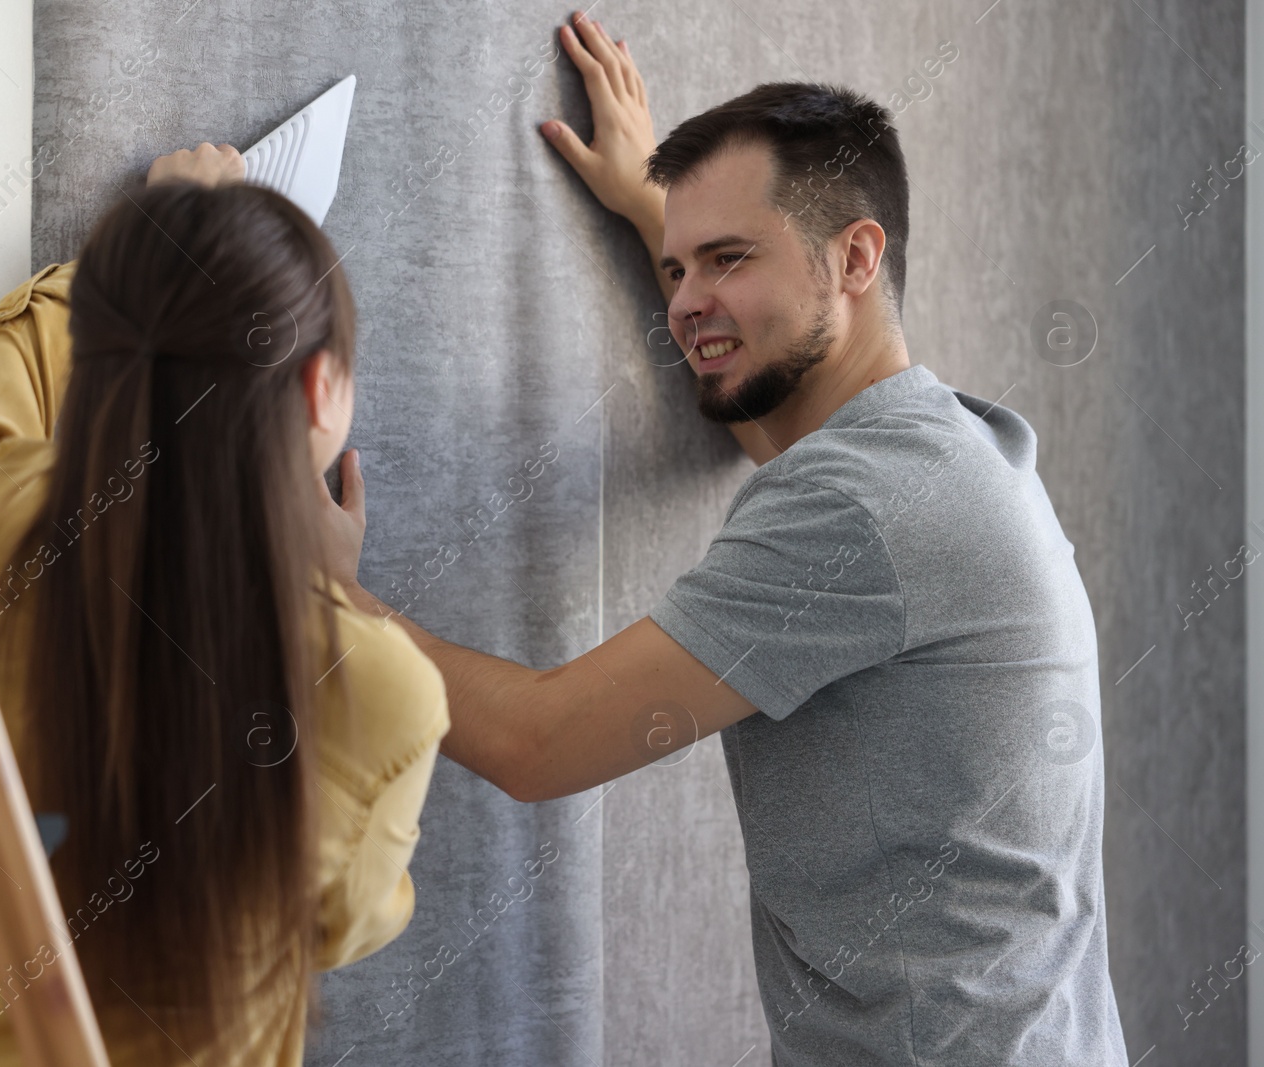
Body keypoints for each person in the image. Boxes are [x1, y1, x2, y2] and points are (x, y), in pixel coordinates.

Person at [317, 13, 1127, 1066]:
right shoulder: (946, 446)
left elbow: (536, 744)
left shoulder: (866, 502)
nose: (689, 304)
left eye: (728, 259)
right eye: (678, 268)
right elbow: (771, 416)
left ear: (855, 257)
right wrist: (662, 214)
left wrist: (322, 591)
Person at [0, 147, 449, 1066]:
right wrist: (332, 591)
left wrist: (163, 247)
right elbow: (344, 923)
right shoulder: (383, 693)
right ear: (320, 390)